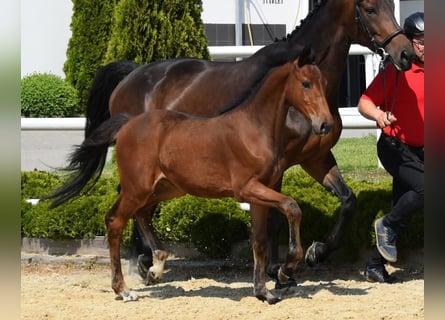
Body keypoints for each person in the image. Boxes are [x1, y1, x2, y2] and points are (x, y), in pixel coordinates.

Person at [357, 12, 424, 283]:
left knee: (403, 210)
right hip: (395, 148)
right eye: (420, 41)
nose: (426, 47)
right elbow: (364, 101)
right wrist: (379, 116)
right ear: (408, 42)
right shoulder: (397, 72)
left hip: (421, 150)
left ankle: (374, 265)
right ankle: (385, 224)